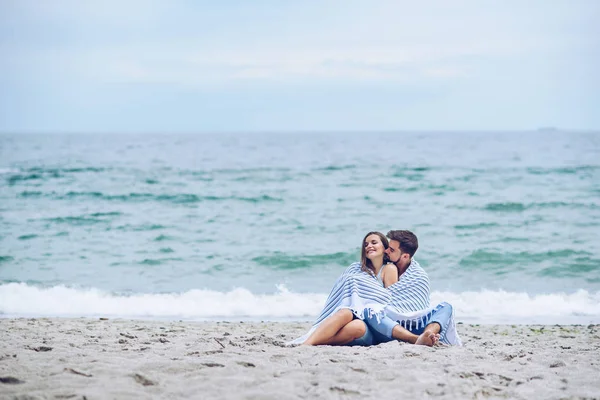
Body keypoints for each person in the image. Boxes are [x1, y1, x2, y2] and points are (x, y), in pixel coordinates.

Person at [363, 230, 461, 346]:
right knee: (370, 311)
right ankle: (416, 339)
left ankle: (428, 334)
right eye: (388, 247)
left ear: (405, 256)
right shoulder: (382, 268)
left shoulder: (418, 276)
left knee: (446, 307)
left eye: (392, 250)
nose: (386, 251)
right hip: (390, 329)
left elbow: (420, 309)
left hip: (415, 325)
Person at [292, 232, 392, 346]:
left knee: (358, 327)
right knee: (345, 312)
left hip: (371, 326)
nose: (369, 246)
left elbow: (390, 301)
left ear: (385, 248)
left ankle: (311, 342)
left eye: (374, 242)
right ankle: (308, 344)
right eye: (365, 244)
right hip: (352, 317)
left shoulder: (388, 269)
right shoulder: (356, 269)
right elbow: (341, 292)